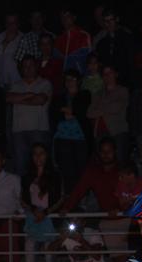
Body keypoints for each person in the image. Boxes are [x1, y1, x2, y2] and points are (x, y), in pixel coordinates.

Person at [21, 143, 62, 262]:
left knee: (49, 259)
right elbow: (23, 198)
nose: (38, 157)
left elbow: (59, 198)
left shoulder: (55, 175)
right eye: (35, 154)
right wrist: (34, 210)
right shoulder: (27, 177)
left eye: (41, 153)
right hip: (32, 219)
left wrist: (45, 212)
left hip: (49, 220)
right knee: (30, 261)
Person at [7, 56, 53, 177]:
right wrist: (29, 95)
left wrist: (19, 99)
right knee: (20, 166)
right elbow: (9, 98)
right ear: (21, 69)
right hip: (18, 131)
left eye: (31, 65)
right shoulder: (15, 84)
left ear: (36, 67)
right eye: (25, 66)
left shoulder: (45, 83)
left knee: (41, 166)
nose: (28, 68)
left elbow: (41, 100)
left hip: (39, 130)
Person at [51, 69, 91, 197]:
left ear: (78, 81)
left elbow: (81, 111)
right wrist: (69, 112)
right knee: (67, 172)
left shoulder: (85, 94)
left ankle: (82, 200)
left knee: (81, 171)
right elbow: (54, 114)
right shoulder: (59, 97)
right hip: (62, 137)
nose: (70, 82)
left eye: (73, 79)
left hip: (80, 138)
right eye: (67, 79)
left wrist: (67, 111)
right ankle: (69, 201)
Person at [86, 64, 129, 165]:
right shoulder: (97, 94)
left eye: (110, 73)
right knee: (101, 164)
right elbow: (89, 113)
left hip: (117, 132)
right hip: (99, 133)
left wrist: (100, 108)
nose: (107, 76)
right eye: (105, 74)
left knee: (120, 163)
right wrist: (107, 106)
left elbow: (116, 108)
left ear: (116, 74)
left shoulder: (122, 90)